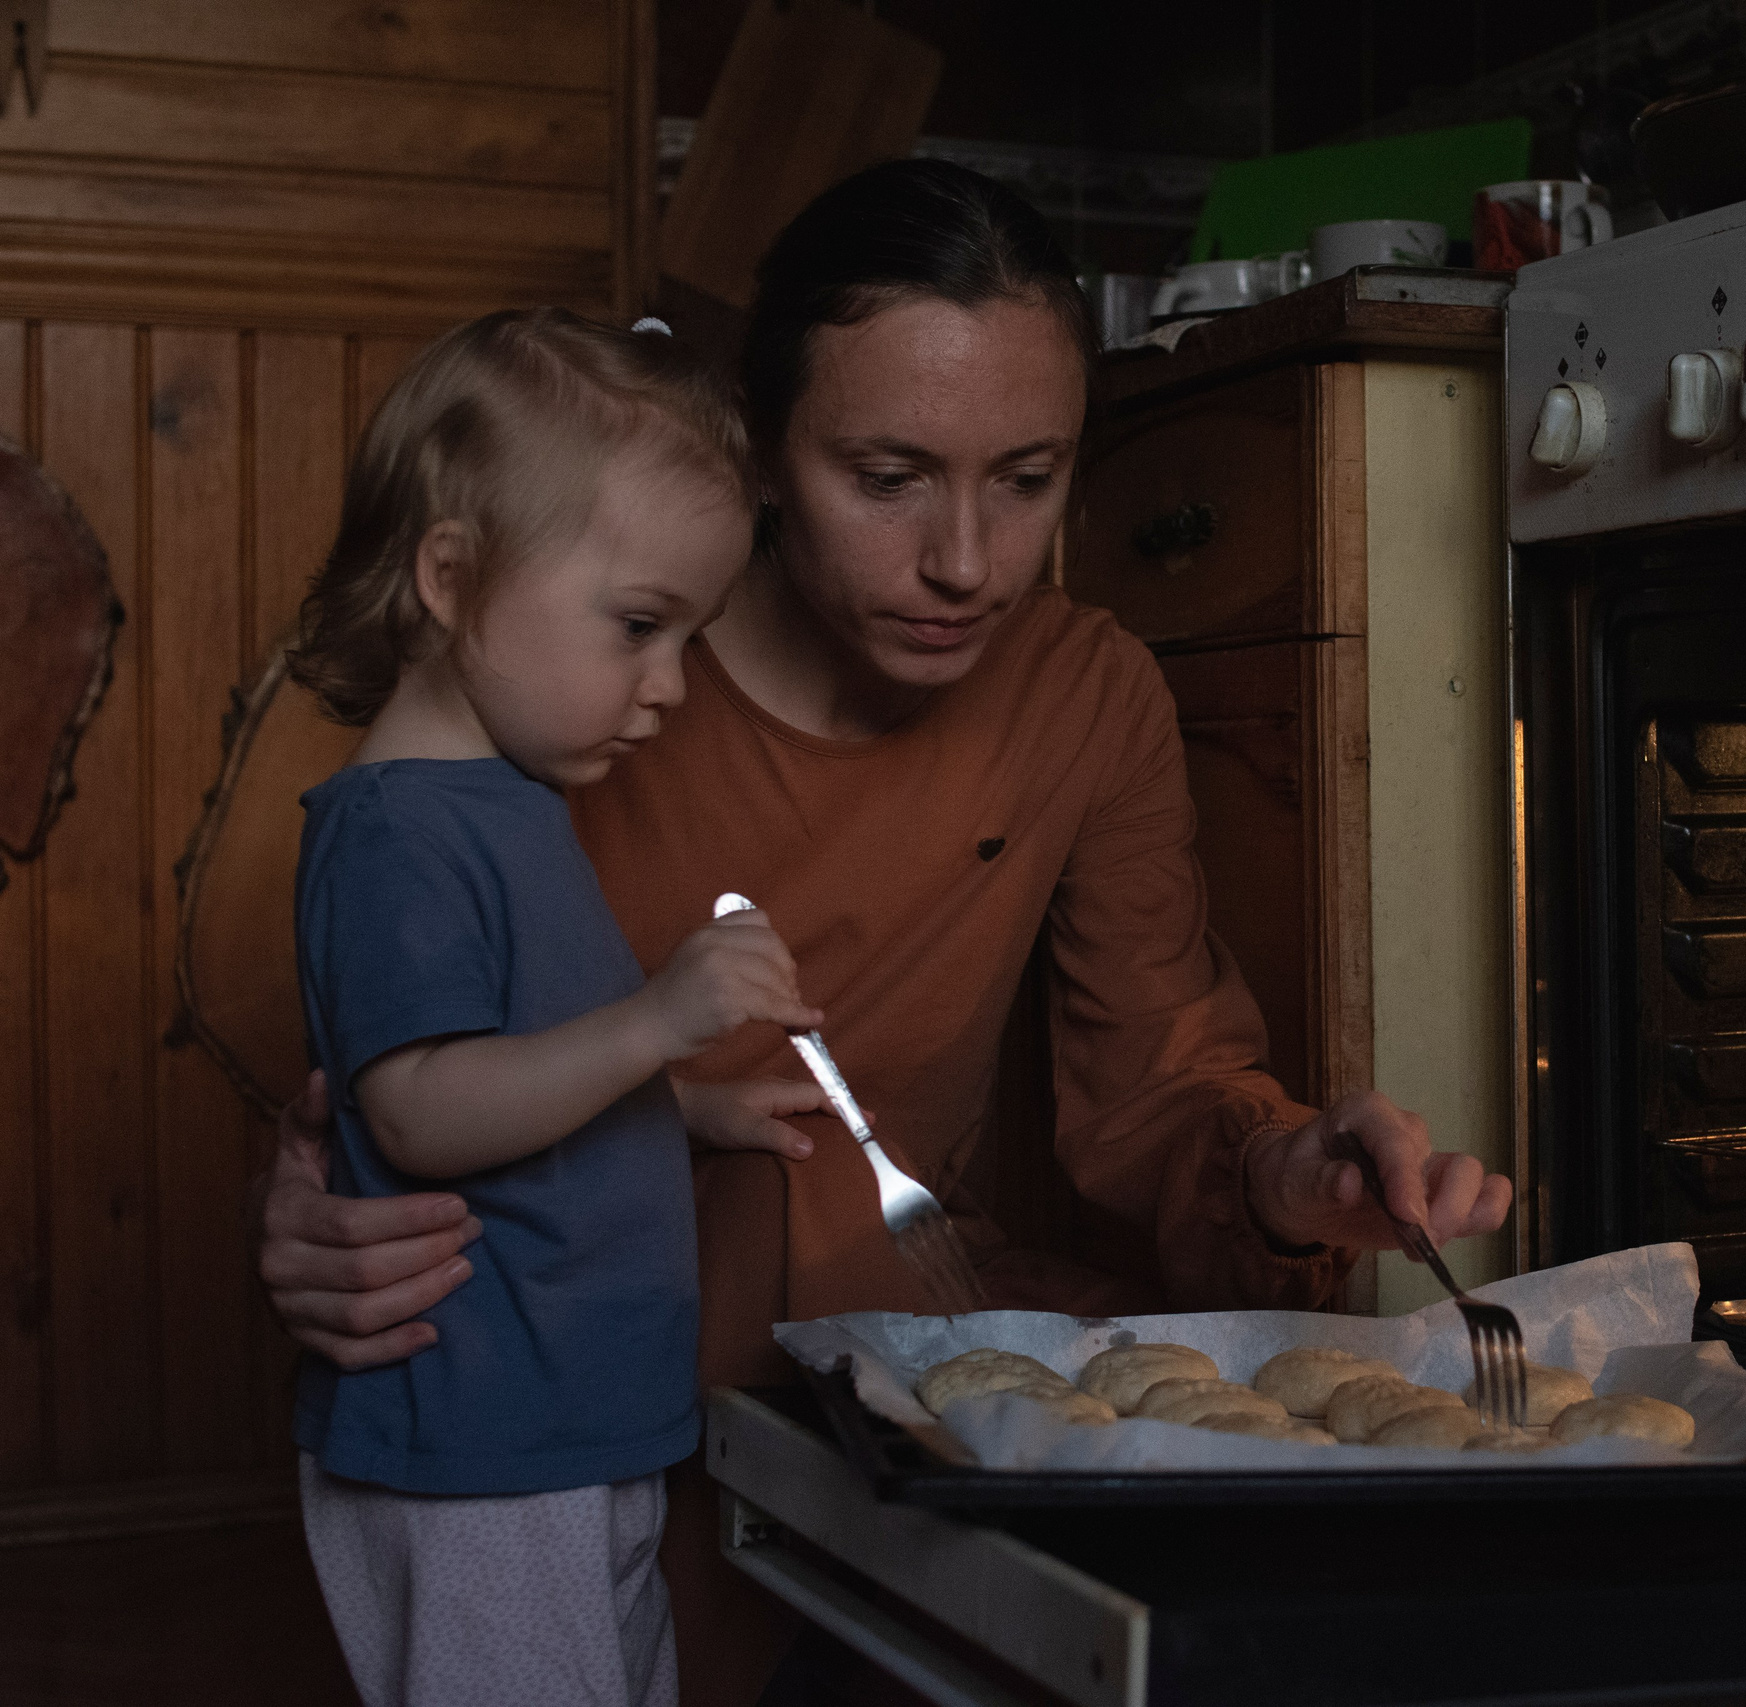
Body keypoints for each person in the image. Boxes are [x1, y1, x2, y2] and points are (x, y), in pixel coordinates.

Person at [254, 161, 1514, 1703]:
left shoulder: (1084, 691)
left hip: (910, 1398)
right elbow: (401, 1023)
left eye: (1031, 477)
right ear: (765, 453)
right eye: (889, 475)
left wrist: (1285, 1168)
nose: (968, 560)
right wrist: (317, 1193)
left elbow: (1163, 1085)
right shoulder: (579, 664)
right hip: (586, 1414)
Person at [283, 309, 822, 1705]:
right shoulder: (401, 831)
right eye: (641, 626)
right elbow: (417, 1106)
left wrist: (678, 1104)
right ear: (454, 577)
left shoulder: (510, 804)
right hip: (479, 1443)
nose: (671, 685)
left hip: (568, 1428)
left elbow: (519, 1064)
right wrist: (654, 1025)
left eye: (691, 634)